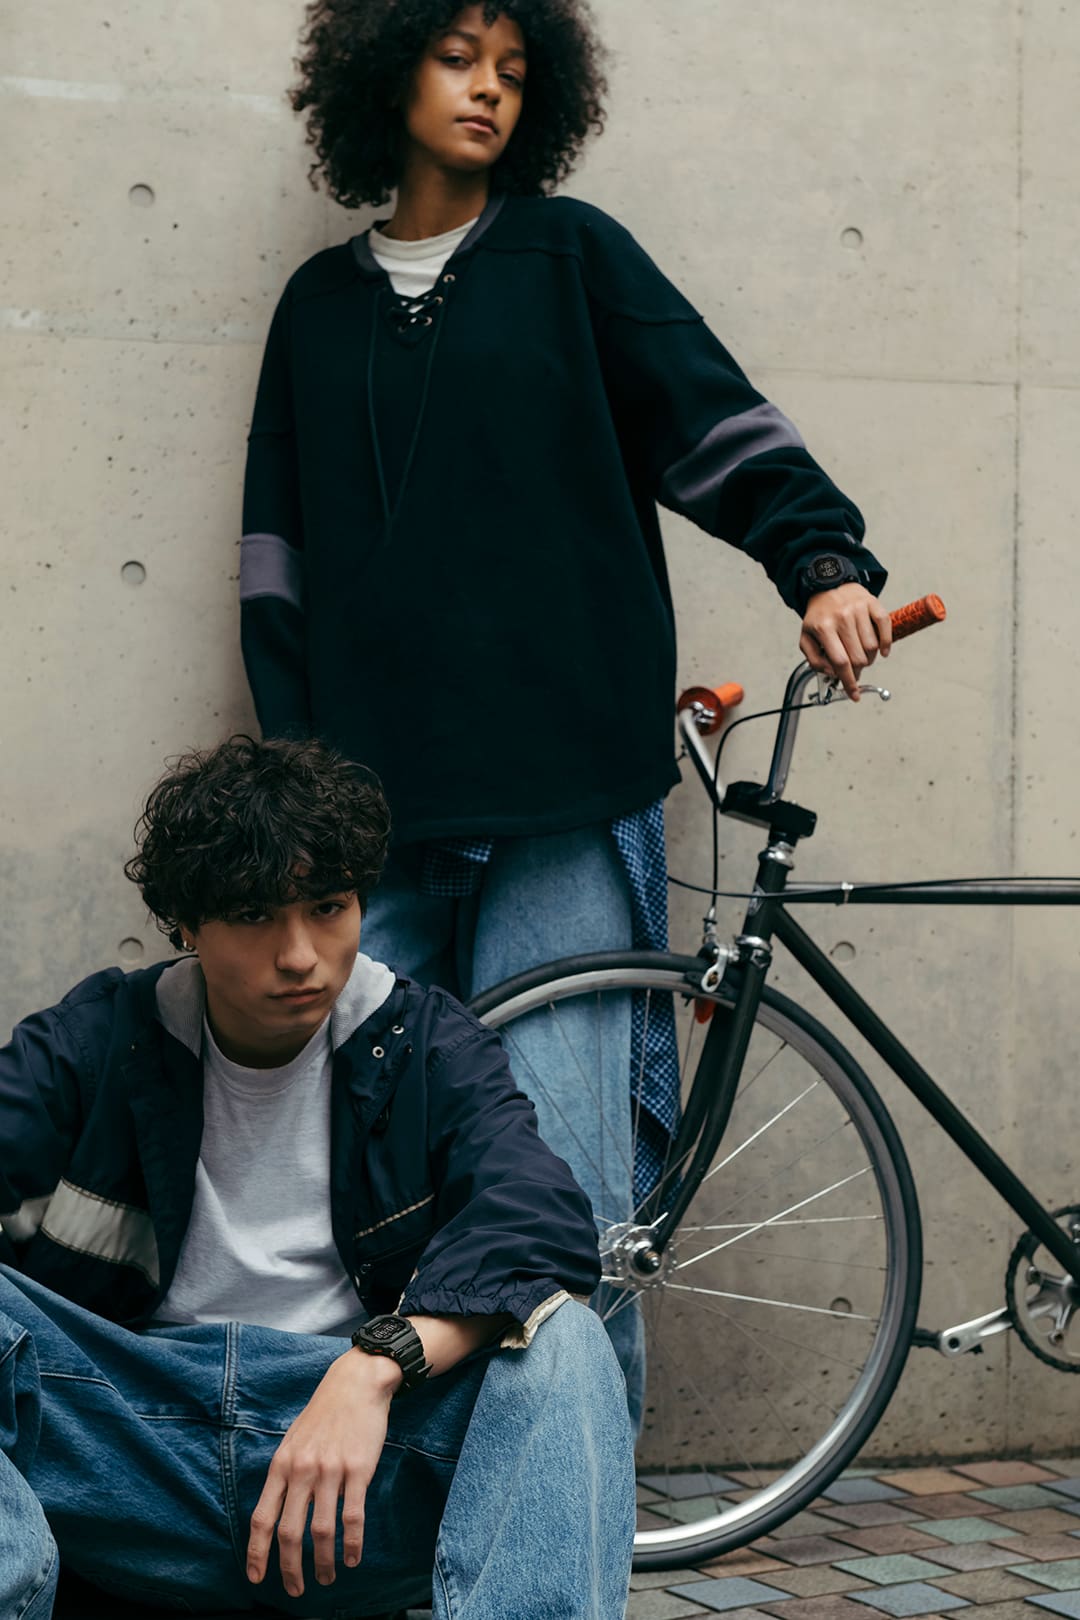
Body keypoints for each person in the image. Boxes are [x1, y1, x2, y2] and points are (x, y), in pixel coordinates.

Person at [239, 0, 892, 1412]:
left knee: (571, 1184)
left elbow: (711, 417)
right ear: (384, 70)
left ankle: (565, 1508)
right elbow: (274, 566)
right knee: (370, 1175)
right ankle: (379, 1495)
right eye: (458, 57)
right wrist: (302, 797)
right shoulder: (317, 306)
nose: (488, 91)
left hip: (559, 792)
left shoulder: (568, 255)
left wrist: (821, 559)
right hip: (375, 817)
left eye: (516, 71)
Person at [0, 736, 635, 1620]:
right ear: (187, 921)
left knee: (565, 1342)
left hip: (358, 1471)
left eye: (328, 907)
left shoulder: (424, 1044)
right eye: (257, 916)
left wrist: (377, 1367)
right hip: (130, 1447)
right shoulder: (103, 1038)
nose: (301, 955)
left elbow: (540, 1220)